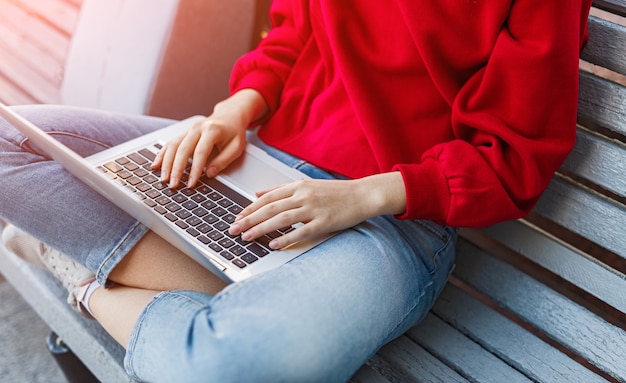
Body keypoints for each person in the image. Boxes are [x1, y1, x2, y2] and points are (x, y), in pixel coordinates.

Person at [0, 1, 593, 382]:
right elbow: (290, 37)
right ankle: (241, 277)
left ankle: (79, 275)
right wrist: (234, 111)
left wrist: (362, 197)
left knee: (227, 370)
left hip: (391, 219)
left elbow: (513, 159)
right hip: (260, 163)